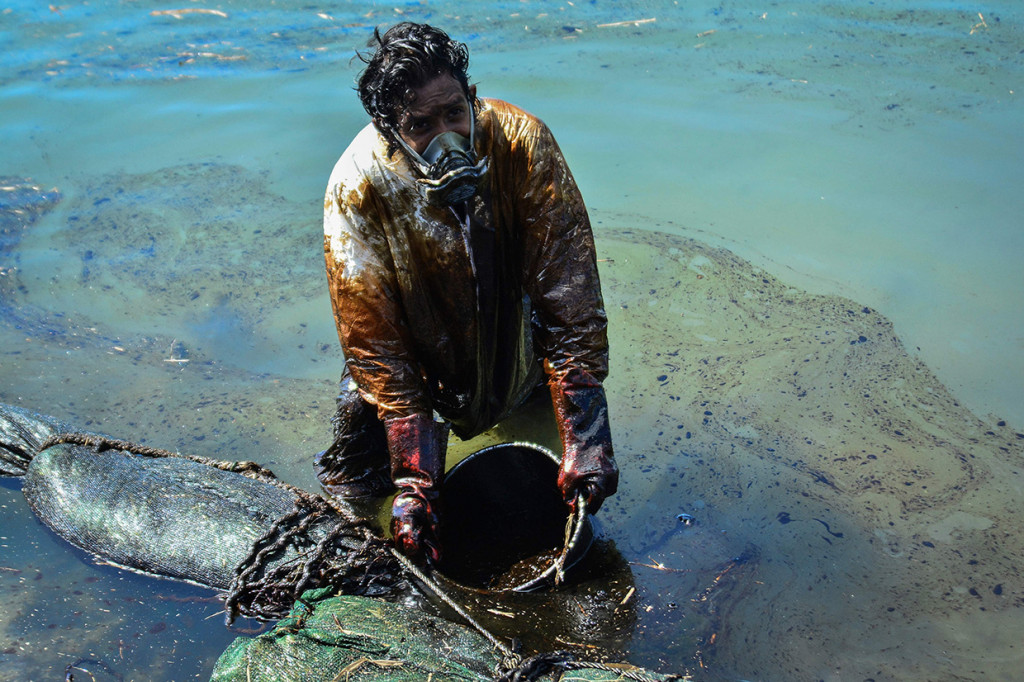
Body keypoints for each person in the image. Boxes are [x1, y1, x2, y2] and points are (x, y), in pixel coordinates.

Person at [315, 22, 617, 562]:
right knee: (354, 502)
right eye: (421, 125)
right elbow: (374, 341)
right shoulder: (356, 186)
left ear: (472, 99)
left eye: (455, 113)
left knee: (549, 489)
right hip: (408, 366)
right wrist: (414, 485)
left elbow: (569, 294)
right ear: (388, 130)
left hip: (513, 344)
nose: (447, 136)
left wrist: (587, 438)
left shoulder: (522, 143)